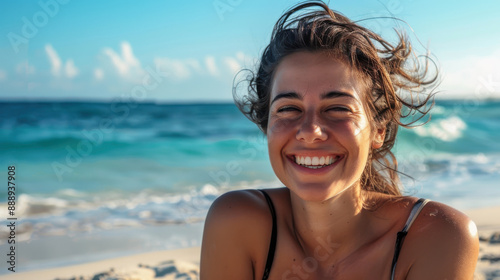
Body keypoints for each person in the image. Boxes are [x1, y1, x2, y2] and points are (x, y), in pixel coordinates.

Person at [200, 1, 479, 279]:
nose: (310, 130)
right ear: (268, 126)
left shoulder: (436, 236)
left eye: (337, 109)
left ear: (378, 131)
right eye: (288, 109)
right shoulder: (237, 222)